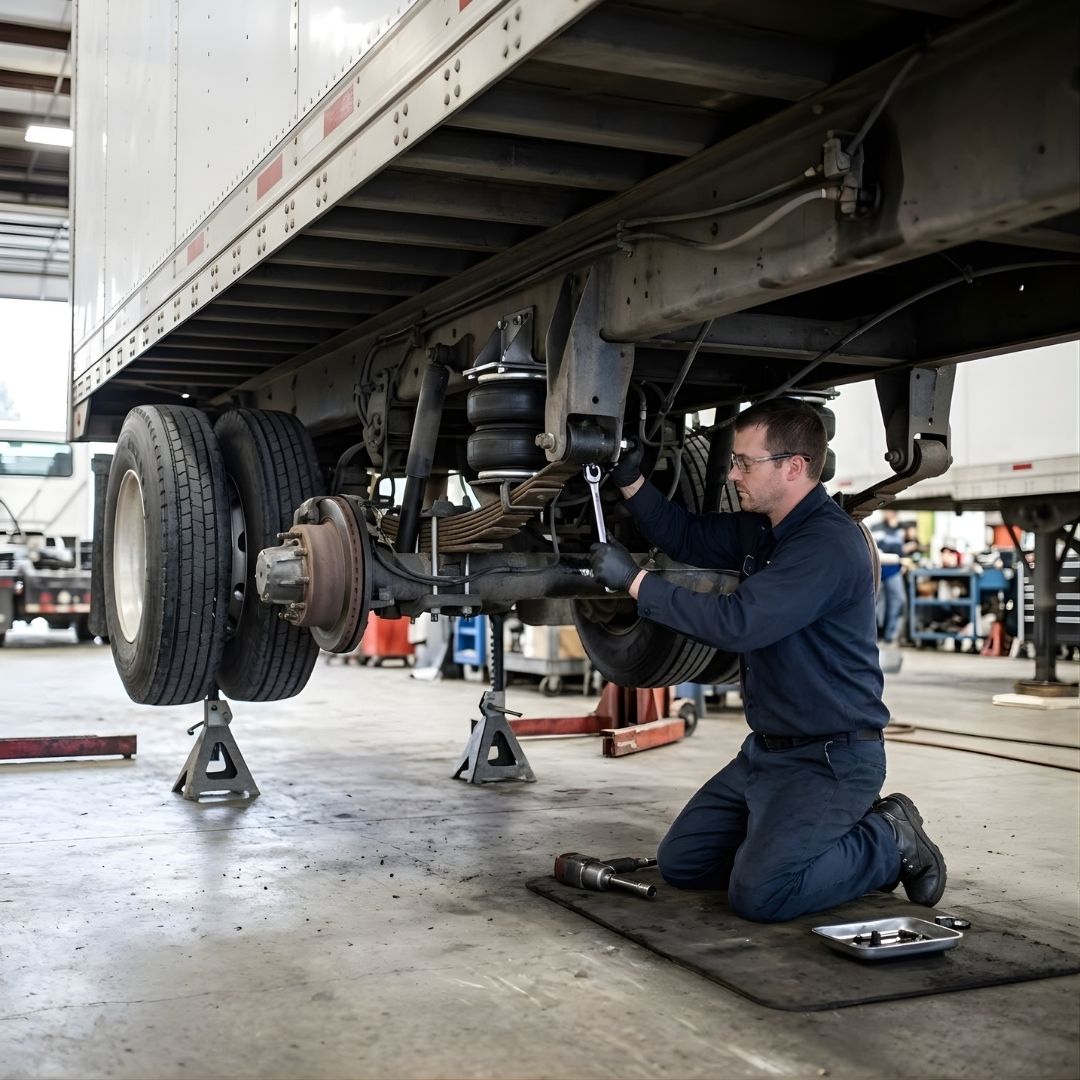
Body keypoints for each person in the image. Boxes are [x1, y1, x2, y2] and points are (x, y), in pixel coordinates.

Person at [587, 398, 946, 923]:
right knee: (682, 863)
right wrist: (631, 481)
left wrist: (635, 582)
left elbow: (739, 624)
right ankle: (785, 844)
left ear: (793, 467)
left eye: (744, 463)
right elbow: (685, 535)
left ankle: (888, 838)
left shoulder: (825, 544)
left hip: (830, 759)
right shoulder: (767, 529)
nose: (732, 474)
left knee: (762, 896)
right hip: (766, 754)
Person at [871, 509, 913, 644]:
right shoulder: (877, 528)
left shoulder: (901, 528)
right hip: (880, 568)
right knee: (876, 604)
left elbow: (902, 549)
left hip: (895, 570)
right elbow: (877, 550)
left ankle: (890, 635)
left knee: (898, 601)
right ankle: (876, 634)